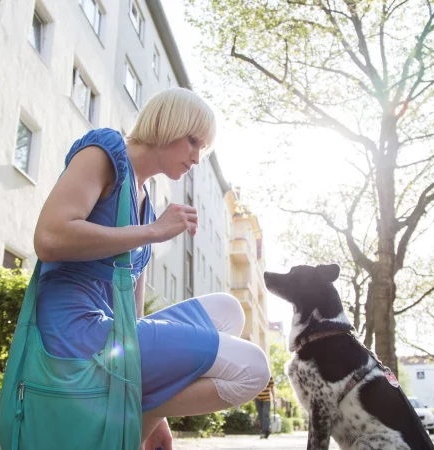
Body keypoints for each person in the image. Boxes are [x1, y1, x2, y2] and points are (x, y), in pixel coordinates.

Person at [32, 87, 271, 450]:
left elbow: (133, 313)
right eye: (193, 141)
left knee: (228, 310)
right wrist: (155, 231)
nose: (196, 157)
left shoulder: (145, 200)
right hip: (72, 330)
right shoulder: (106, 150)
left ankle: (140, 416)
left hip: (113, 333)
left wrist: (154, 400)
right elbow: (49, 237)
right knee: (253, 368)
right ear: (168, 124)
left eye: (203, 148)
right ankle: (132, 421)